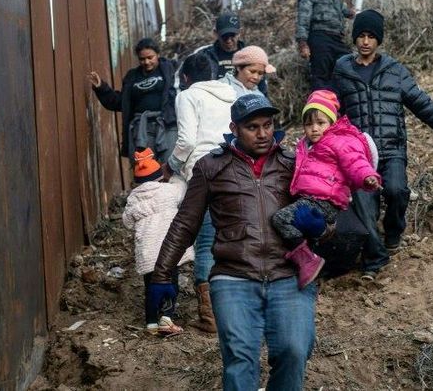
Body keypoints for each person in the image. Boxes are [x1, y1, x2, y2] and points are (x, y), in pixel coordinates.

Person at [148, 95, 317, 390]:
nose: (263, 133)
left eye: (268, 125)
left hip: (288, 275)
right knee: (241, 359)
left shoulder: (293, 163)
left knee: (293, 351)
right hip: (233, 277)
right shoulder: (211, 167)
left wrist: (320, 226)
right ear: (234, 128)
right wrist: (162, 274)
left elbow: (326, 215)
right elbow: (186, 223)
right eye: (253, 127)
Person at [333, 9, 433, 278]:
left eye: (371, 36)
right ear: (355, 38)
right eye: (361, 35)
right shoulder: (342, 70)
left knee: (396, 191)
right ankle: (374, 260)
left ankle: (393, 232)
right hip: (358, 156)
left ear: (379, 40)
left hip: (393, 148)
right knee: (364, 206)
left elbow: (423, 104)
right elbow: (329, 108)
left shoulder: (394, 71)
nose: (366, 41)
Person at [271, 90, 381, 288]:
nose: (314, 129)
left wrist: (368, 177)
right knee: (299, 222)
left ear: (332, 122)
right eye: (308, 124)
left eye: (320, 123)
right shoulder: (307, 145)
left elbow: (355, 161)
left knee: (280, 219)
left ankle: (308, 260)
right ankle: (316, 245)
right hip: (311, 198)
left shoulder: (338, 141)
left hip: (324, 199)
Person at [164, 52, 237, 333]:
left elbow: (186, 141)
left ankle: (210, 316)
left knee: (206, 240)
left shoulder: (188, 96)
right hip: (235, 167)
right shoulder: (231, 94)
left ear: (185, 77)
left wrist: (169, 167)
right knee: (232, 236)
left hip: (206, 171)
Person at [121, 148, 194, 336]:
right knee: (171, 284)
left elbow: (127, 222)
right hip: (169, 251)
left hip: (147, 253)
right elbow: (183, 190)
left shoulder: (133, 199)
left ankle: (151, 322)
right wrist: (175, 175)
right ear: (160, 177)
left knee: (150, 287)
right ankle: (166, 318)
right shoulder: (168, 192)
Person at [88, 37, 177, 162]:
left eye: (150, 57)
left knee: (169, 166)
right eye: (142, 59)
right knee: (146, 169)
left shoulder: (169, 71)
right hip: (141, 129)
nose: (146, 62)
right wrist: (101, 88)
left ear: (158, 54)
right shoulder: (132, 77)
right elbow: (120, 102)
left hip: (166, 126)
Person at [296, 0, 355, 92]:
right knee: (321, 71)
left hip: (337, 39)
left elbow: (344, 11)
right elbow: (303, 20)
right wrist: (303, 43)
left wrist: (353, 14)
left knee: (346, 65)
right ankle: (320, 105)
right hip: (319, 37)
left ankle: (340, 100)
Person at [181, 12, 268, 95]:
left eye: (232, 35)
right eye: (224, 36)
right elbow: (184, 79)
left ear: (239, 32)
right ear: (216, 33)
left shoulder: (253, 56)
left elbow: (262, 88)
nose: (229, 40)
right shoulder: (203, 54)